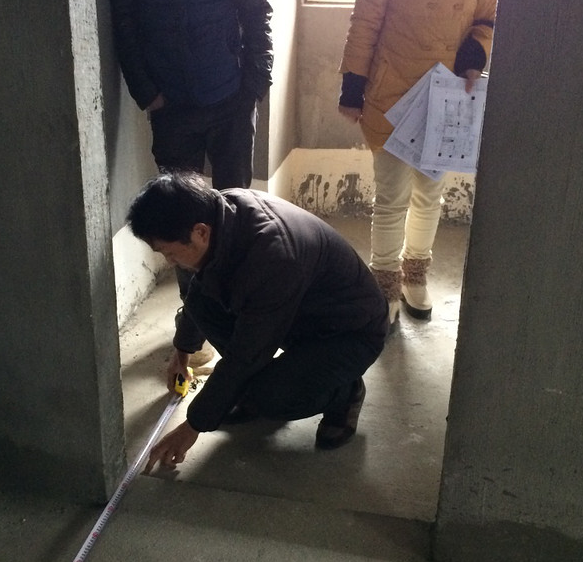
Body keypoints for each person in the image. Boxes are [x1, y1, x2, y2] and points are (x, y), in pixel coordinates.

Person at [108, 0, 274, 367]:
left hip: (230, 98)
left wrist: (254, 83)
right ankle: (194, 327)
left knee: (233, 211)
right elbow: (124, 20)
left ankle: (237, 316)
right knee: (181, 219)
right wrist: (146, 91)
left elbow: (257, 11)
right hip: (170, 105)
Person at [337, 0, 502, 326]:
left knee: (430, 193)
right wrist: (352, 87)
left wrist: (474, 55)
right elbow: (366, 19)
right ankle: (384, 281)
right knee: (391, 195)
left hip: (447, 93)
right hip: (392, 90)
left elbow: (487, 15)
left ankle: (415, 272)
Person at [125, 172, 388, 472]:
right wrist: (182, 352)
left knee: (268, 397)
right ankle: (247, 389)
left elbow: (246, 354)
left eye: (171, 253)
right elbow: (200, 292)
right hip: (301, 315)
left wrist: (192, 425)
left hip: (350, 332)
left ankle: (345, 392)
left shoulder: (273, 256)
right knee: (201, 302)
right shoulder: (219, 213)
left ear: (200, 232)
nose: (170, 262)